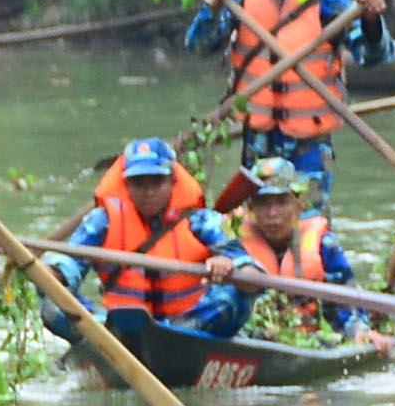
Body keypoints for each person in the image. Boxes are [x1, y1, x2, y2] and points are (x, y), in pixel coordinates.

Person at [182, 0, 391, 206]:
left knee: (309, 226)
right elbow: (198, 46)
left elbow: (372, 56)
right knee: (254, 225)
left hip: (309, 144)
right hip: (257, 140)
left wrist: (372, 20)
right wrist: (212, 7)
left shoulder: (333, 0)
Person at [35, 135, 245, 371]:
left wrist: (226, 262)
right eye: (139, 183)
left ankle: (186, 343)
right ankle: (102, 344)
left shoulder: (202, 220)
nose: (148, 192)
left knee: (238, 294)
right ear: (126, 186)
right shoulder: (101, 221)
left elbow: (240, 256)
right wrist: (55, 274)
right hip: (117, 328)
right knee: (53, 303)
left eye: (156, 182)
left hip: (190, 326)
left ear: (173, 181)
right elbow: (70, 260)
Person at [222, 155, 369, 335]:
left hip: (308, 336)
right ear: (250, 208)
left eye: (282, 203)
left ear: (298, 206)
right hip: (250, 333)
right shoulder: (231, 243)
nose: (273, 213)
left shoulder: (324, 245)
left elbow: (346, 300)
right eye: (263, 204)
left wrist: (358, 331)